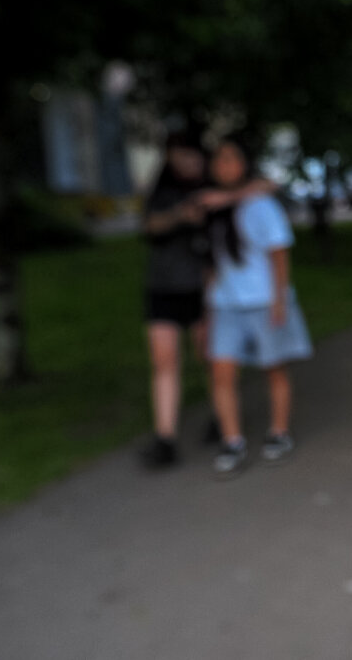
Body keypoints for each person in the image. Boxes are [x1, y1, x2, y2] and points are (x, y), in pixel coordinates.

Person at [204, 135, 312, 475]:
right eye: (219, 159)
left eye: (232, 158)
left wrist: (279, 301)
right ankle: (232, 440)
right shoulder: (213, 207)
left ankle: (278, 432)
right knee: (221, 370)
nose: (226, 166)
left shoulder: (261, 205)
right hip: (226, 304)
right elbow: (212, 261)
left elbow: (278, 255)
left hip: (264, 301)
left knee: (273, 367)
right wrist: (208, 304)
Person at [138, 130, 211, 469]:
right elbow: (151, 226)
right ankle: (165, 436)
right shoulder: (162, 192)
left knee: (208, 356)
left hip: (202, 290)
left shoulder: (213, 190)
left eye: (193, 156)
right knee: (164, 362)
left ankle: (220, 417)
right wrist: (182, 214)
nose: (188, 162)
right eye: (182, 155)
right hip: (164, 289)